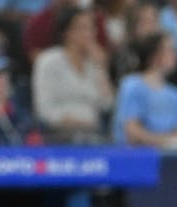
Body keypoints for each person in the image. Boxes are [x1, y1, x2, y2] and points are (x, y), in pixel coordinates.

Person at [32, 6, 115, 143]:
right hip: (58, 134)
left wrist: (101, 68)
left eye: (91, 28)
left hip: (93, 134)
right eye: (82, 28)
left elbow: (106, 104)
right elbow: (43, 108)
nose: (89, 34)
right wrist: (73, 121)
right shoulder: (49, 61)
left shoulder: (93, 64)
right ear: (67, 32)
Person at [111, 32, 177, 147]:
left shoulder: (175, 94)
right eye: (170, 50)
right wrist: (167, 141)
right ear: (154, 55)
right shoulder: (132, 85)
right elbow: (131, 131)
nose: (175, 55)